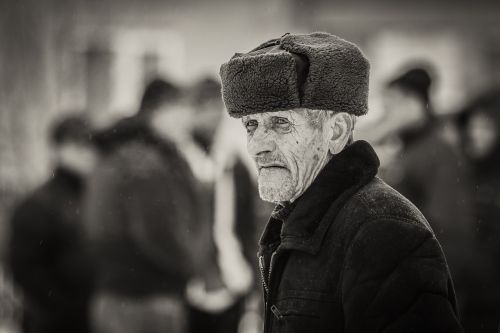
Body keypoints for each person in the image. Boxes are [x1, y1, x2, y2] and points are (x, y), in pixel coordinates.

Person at [219, 32, 463, 332]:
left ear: (335, 131)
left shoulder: (382, 232)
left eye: (281, 123)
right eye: (251, 125)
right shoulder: (300, 217)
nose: (256, 145)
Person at [85, 78, 209, 333]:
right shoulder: (143, 162)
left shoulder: (121, 152)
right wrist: (191, 264)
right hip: (145, 300)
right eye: (180, 110)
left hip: (120, 294)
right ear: (157, 111)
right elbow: (157, 231)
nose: (187, 120)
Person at [377, 67, 475, 314]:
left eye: (393, 103)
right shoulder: (406, 150)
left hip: (425, 286)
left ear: (415, 103)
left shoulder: (440, 153)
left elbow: (450, 230)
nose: (387, 112)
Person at [8, 114, 97, 333]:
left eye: (90, 145)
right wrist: (66, 308)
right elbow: (24, 269)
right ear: (57, 150)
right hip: (54, 323)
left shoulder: (96, 198)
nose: (87, 153)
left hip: (92, 317)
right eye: (77, 145)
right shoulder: (38, 204)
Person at [456, 89, 500, 333]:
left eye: (485, 128)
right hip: (468, 284)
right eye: (472, 127)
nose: (475, 135)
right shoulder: (463, 168)